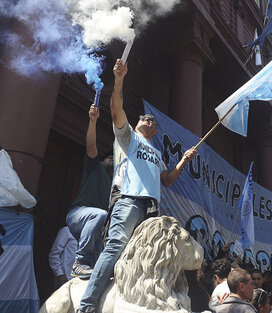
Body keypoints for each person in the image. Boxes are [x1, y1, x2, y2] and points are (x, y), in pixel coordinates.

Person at [77, 59, 197, 313]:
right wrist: (119, 79)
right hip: (129, 199)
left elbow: (168, 180)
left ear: (155, 129)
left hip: (151, 208)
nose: (145, 119)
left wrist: (184, 161)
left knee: (138, 257)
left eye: (150, 119)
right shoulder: (128, 136)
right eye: (142, 117)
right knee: (115, 247)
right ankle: (86, 306)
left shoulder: (156, 152)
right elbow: (116, 107)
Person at [66, 104, 114, 279]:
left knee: (103, 266)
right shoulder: (95, 167)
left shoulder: (116, 185)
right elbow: (91, 145)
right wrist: (93, 121)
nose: (111, 158)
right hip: (78, 216)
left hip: (96, 230)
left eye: (114, 157)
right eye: (108, 156)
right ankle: (80, 261)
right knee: (99, 215)